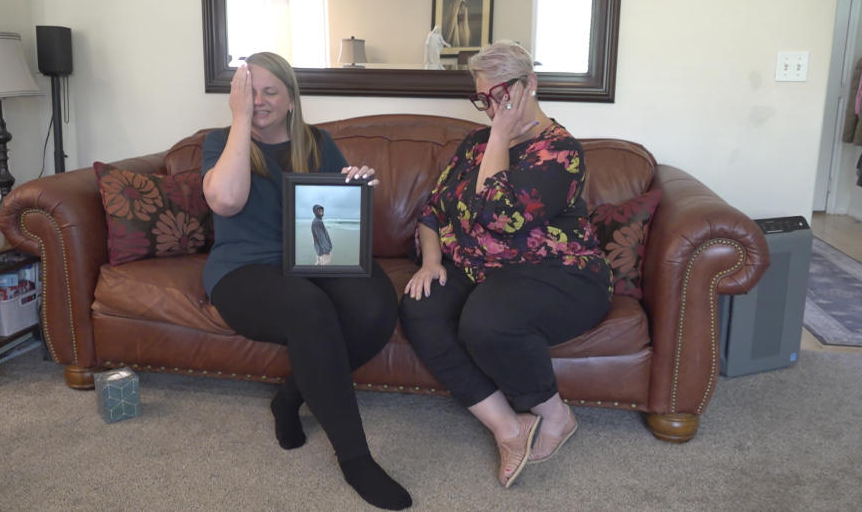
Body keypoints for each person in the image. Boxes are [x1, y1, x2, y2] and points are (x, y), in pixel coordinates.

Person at [201, 51, 411, 510]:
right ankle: (356, 459)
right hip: (243, 270)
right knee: (309, 309)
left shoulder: (317, 142)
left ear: (292, 99)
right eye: (249, 92)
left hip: (313, 259)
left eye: (270, 91)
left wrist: (356, 184)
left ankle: (290, 397)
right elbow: (227, 201)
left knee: (376, 305)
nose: (259, 101)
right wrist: (240, 122)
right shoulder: (220, 143)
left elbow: (336, 213)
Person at [399, 40, 612, 488]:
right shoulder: (473, 143)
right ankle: (507, 427)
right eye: (483, 98)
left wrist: (499, 134)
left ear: (529, 85)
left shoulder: (560, 152)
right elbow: (434, 210)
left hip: (560, 273)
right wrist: (431, 261)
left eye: (501, 95)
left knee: (487, 322)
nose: (492, 108)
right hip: (480, 269)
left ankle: (557, 416)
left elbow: (500, 215)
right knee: (420, 306)